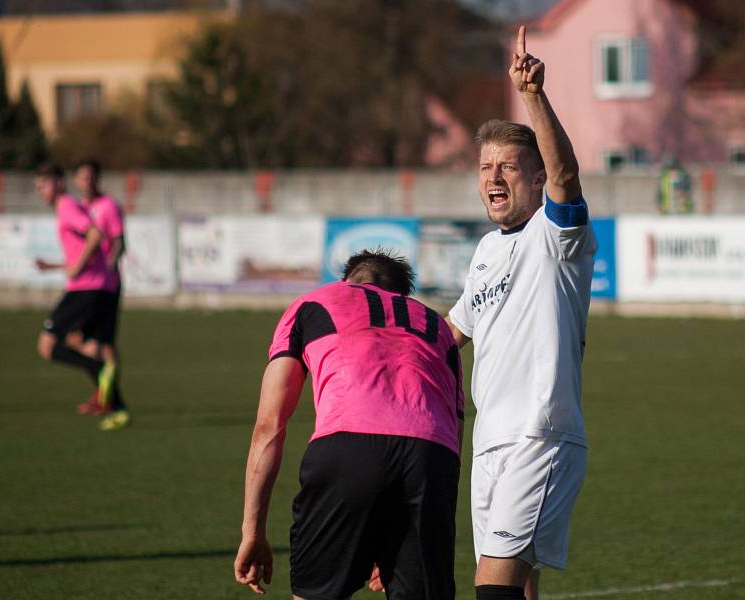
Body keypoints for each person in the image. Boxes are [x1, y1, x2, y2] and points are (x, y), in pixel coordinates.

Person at [446, 27, 597, 600]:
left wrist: (532, 94)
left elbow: (567, 177)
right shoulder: (488, 251)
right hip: (489, 442)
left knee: (495, 590)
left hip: (539, 434)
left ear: (535, 179)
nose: (493, 178)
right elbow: (452, 331)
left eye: (508, 167)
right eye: (486, 168)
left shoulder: (554, 236)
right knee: (520, 588)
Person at [234, 249, 465, 599]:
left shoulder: (312, 303)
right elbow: (454, 432)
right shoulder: (436, 327)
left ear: (348, 281)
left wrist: (253, 530)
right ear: (401, 295)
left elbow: (270, 424)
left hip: (349, 446)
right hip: (432, 457)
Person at [33, 163, 128, 431]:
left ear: (59, 183)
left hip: (86, 287)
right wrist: (54, 267)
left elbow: (96, 235)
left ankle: (102, 372)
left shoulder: (66, 206)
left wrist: (76, 268)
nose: (40, 191)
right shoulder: (70, 206)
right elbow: (79, 255)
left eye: (43, 185)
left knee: (47, 346)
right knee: (85, 344)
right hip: (91, 286)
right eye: (37, 187)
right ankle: (118, 408)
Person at [70, 159, 129, 428]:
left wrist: (108, 268)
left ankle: (108, 397)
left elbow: (119, 242)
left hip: (106, 286)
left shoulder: (108, 207)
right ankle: (104, 394)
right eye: (83, 178)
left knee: (102, 343)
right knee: (84, 341)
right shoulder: (79, 208)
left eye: (91, 177)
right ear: (75, 181)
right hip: (86, 285)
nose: (87, 182)